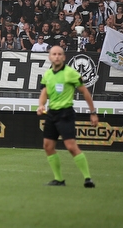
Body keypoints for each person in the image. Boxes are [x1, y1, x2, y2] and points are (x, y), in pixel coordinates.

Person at [37, 46, 98, 187]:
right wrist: (41, 105)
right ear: (50, 57)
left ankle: (88, 178)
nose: (57, 56)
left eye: (59, 54)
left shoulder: (71, 73)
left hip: (66, 113)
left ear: (64, 57)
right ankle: (59, 179)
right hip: (52, 113)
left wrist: (93, 112)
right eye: (54, 54)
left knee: (71, 147)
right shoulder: (47, 75)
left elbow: (85, 92)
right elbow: (44, 93)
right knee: (48, 146)